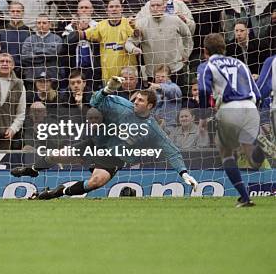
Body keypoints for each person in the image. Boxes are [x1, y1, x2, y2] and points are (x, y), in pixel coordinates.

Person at [15, 76, 199, 199]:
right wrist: (108, 89)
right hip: (97, 143)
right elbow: (95, 102)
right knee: (57, 155)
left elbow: (170, 150)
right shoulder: (121, 105)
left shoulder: (152, 128)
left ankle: (60, 192)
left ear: (150, 106)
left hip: (115, 157)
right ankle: (32, 169)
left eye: (140, 101)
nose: (135, 102)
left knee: (96, 182)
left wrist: (184, 172)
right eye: (136, 99)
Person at [197, 33, 270, 207]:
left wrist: (203, 115)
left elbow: (203, 90)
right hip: (251, 107)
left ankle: (245, 197)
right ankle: (262, 148)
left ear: (205, 51)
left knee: (226, 152)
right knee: (253, 159)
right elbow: (258, 93)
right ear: (224, 48)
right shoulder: (241, 64)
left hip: (229, 108)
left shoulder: (207, 65)